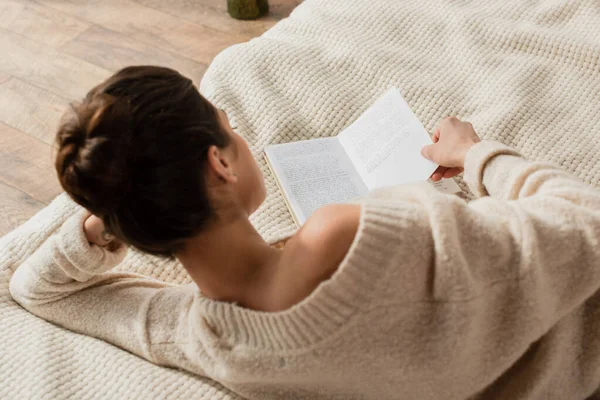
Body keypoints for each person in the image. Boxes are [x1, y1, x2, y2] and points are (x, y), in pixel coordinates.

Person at [9, 66, 600, 399]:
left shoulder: (204, 340)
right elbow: (587, 224)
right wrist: (478, 156)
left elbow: (39, 291)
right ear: (221, 164)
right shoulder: (342, 229)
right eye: (229, 126)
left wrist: (113, 216)